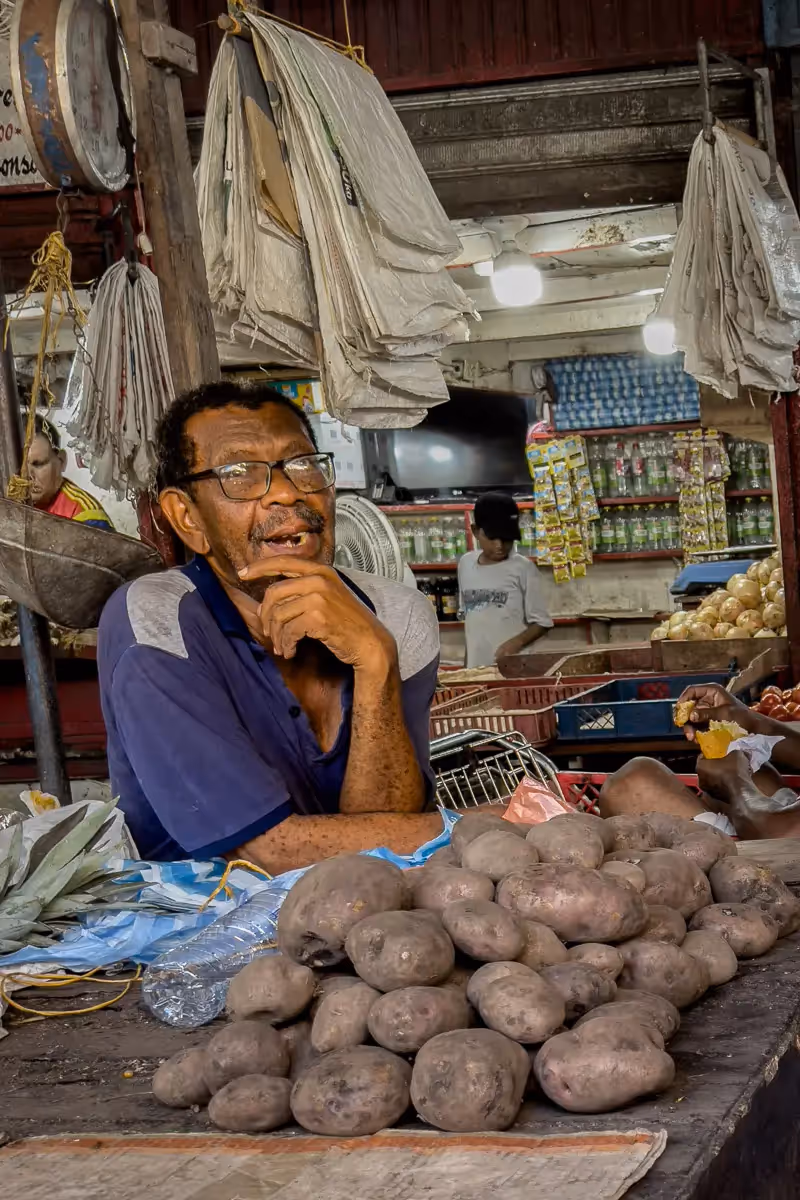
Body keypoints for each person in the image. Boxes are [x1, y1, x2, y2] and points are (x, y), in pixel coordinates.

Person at [97, 380, 443, 872]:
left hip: (366, 916)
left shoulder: (396, 614)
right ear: (187, 517)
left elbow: (386, 834)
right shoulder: (155, 625)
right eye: (238, 474)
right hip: (202, 931)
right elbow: (267, 852)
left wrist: (374, 661)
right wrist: (464, 829)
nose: (285, 491)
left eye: (303, 464)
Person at [599, 682, 800, 840]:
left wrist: (733, 780)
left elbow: (785, 837)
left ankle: (720, 849)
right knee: (753, 768)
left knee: (630, 785)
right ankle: (720, 832)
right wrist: (748, 720)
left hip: (783, 848)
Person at [458, 491, 553, 668]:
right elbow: (471, 623)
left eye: (507, 539)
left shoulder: (523, 568)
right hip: (477, 670)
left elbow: (542, 623)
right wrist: (467, 668)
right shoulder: (465, 564)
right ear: (475, 531)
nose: (500, 546)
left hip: (516, 670)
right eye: (492, 538)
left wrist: (515, 643)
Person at [26, 415, 113, 530]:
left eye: (38, 464)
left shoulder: (87, 518)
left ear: (61, 461)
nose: (28, 476)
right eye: (20, 466)